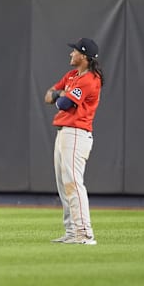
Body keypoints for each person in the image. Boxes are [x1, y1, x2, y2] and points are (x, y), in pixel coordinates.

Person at [44, 38, 104, 245]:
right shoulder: (72, 75)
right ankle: (72, 231)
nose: (71, 54)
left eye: (75, 51)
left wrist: (61, 95)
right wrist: (61, 94)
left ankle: (85, 233)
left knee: (74, 184)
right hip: (64, 133)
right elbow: (48, 95)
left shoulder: (89, 79)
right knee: (64, 186)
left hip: (77, 134)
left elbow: (63, 102)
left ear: (84, 57)